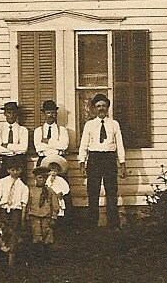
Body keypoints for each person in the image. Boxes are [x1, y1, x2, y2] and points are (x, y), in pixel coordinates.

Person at [77, 93, 127, 228]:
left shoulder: (114, 124)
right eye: (98, 106)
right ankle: (92, 222)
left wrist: (122, 164)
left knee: (111, 191)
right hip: (94, 159)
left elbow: (120, 145)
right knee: (92, 191)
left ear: (108, 107)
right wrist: (82, 163)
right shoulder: (89, 125)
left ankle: (113, 223)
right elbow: (83, 145)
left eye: (104, 106)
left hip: (109, 158)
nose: (101, 109)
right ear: (94, 108)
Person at [0, 161, 29, 266]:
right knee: (1, 231)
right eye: (12, 170)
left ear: (21, 171)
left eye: (17, 170)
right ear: (8, 170)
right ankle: (2, 252)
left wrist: (22, 219)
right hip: (3, 209)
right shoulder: (1, 182)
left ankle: (11, 258)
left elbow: (23, 204)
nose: (15, 172)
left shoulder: (23, 186)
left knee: (14, 232)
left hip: (15, 211)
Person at [26, 165, 62, 262]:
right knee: (37, 236)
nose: (42, 180)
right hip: (35, 217)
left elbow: (55, 205)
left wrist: (54, 217)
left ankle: (47, 256)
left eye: (45, 178)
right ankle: (38, 257)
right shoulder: (31, 191)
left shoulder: (50, 191)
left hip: (47, 217)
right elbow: (28, 204)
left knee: (48, 235)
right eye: (40, 177)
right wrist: (27, 216)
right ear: (35, 178)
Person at [0, 100, 29, 178]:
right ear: (5, 114)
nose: (11, 115)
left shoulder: (23, 130)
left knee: (20, 184)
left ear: (17, 114)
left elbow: (23, 149)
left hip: (19, 160)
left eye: (14, 112)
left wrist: (7, 146)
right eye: (9, 112)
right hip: (4, 160)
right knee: (4, 183)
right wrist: (15, 149)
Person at [32, 99, 70, 166]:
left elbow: (64, 146)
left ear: (56, 114)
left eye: (53, 113)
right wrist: (56, 146)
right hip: (43, 158)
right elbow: (39, 147)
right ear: (44, 114)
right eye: (48, 113)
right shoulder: (38, 131)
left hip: (58, 159)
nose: (51, 115)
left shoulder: (62, 130)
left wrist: (48, 141)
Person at [40, 154, 71, 221]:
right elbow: (46, 186)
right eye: (51, 170)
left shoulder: (60, 180)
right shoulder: (47, 179)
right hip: (50, 197)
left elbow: (66, 188)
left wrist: (62, 193)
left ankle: (59, 222)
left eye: (55, 171)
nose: (53, 172)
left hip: (58, 197)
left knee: (58, 211)